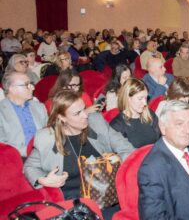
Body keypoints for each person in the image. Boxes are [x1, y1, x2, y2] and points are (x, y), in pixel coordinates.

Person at [23, 90, 134, 219]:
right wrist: (43, 179)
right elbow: (29, 167)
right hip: (73, 204)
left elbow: (127, 149)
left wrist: (117, 161)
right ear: (61, 117)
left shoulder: (96, 122)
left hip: (107, 196)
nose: (85, 115)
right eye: (77, 113)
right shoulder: (46, 138)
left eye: (84, 109)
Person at [0, 72, 47, 157]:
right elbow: (2, 144)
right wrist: (29, 152)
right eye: (27, 85)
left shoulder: (39, 107)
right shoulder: (2, 111)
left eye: (31, 84)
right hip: (15, 157)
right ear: (12, 89)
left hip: (43, 154)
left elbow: (49, 132)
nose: (33, 88)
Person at [110, 78, 160, 148]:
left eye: (146, 98)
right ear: (128, 98)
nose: (145, 103)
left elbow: (159, 142)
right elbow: (124, 155)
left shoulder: (150, 115)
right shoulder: (117, 126)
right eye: (140, 98)